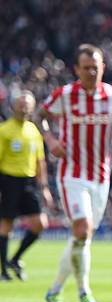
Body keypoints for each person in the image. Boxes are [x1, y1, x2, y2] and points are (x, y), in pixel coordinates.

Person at [39, 44, 112, 302]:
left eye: (96, 67)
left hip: (100, 176)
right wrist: (50, 139)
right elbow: (41, 116)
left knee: (82, 238)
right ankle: (84, 293)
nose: (92, 72)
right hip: (72, 174)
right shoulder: (65, 95)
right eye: (86, 68)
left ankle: (54, 291)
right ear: (76, 69)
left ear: (103, 68)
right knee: (82, 231)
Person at [0, 91, 53, 281]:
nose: (24, 107)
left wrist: (45, 188)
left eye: (28, 104)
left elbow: (40, 162)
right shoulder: (4, 130)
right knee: (7, 224)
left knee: (40, 224)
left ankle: (15, 259)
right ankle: (3, 269)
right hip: (8, 180)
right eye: (21, 103)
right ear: (13, 106)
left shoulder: (33, 131)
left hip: (29, 182)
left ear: (32, 107)